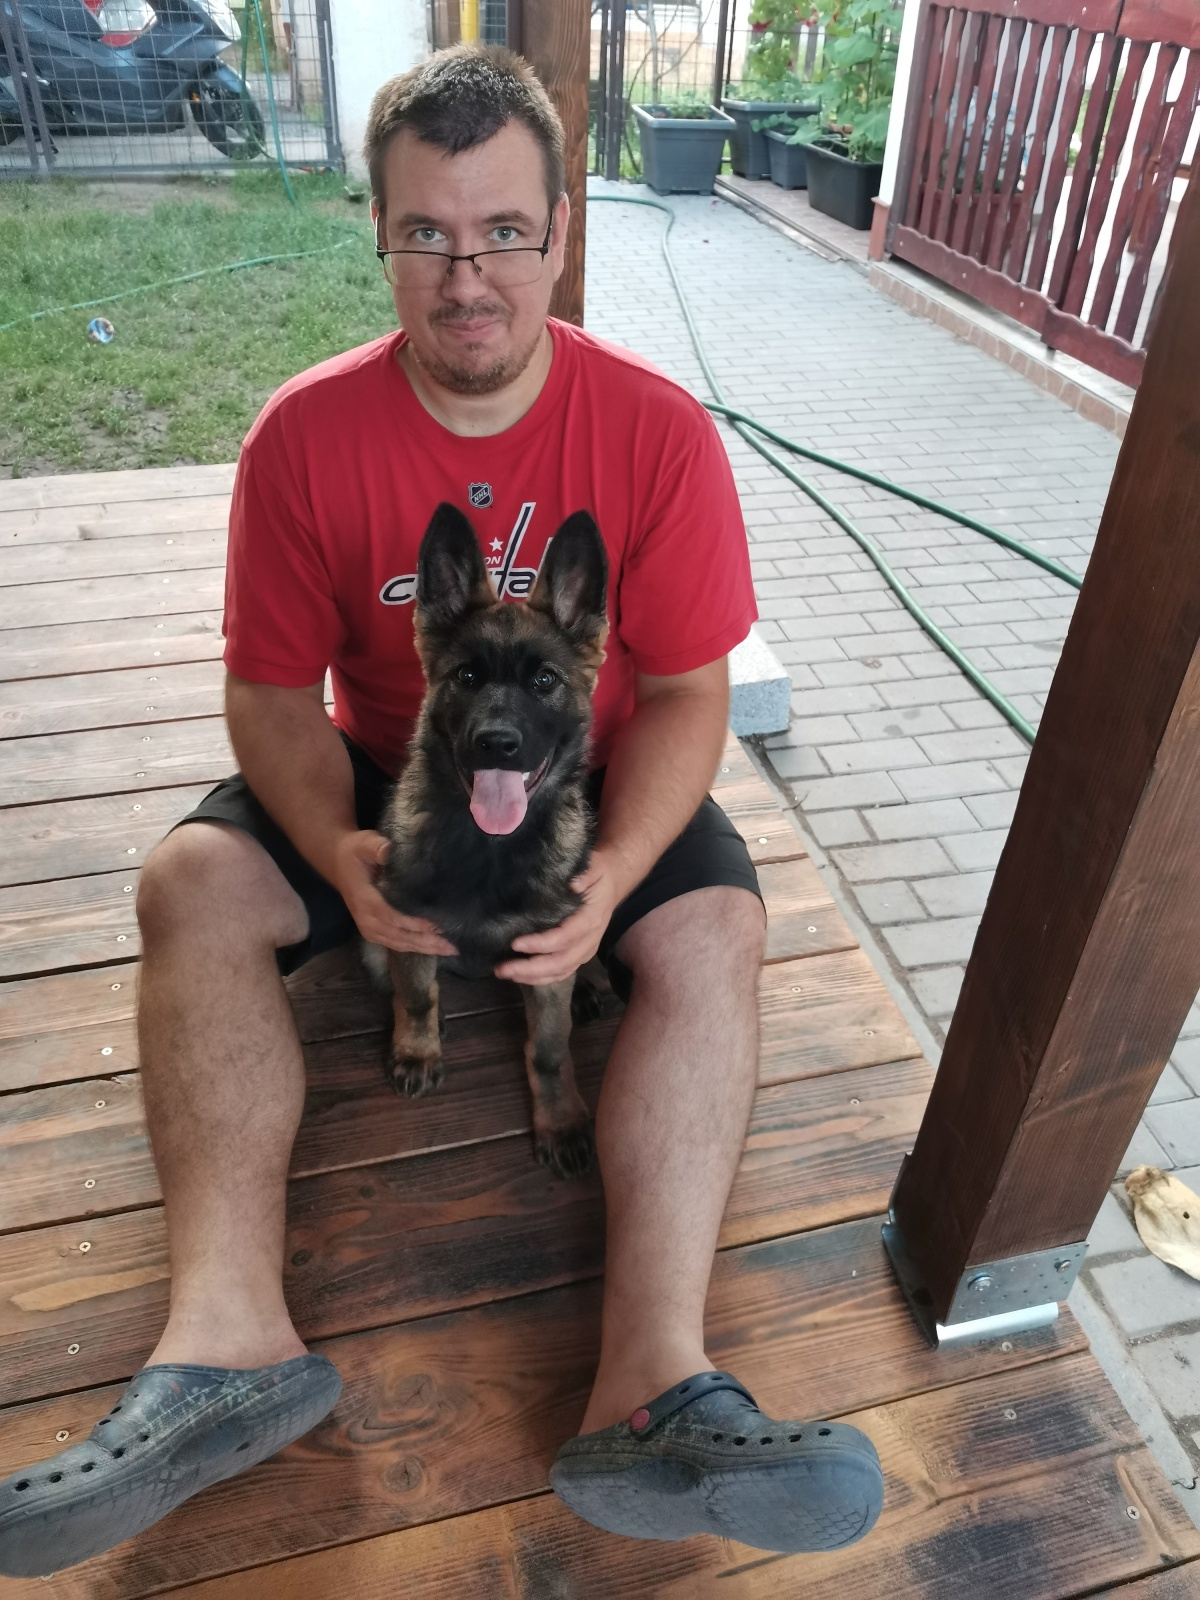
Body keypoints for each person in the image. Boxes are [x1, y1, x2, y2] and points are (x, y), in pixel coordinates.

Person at [0, 44, 882, 1578]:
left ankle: (656, 1388)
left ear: (560, 232)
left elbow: (687, 688)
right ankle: (222, 1353)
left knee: (719, 930)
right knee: (188, 887)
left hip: (587, 779)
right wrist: (339, 853)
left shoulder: (655, 432)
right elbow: (271, 693)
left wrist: (613, 870)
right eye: (428, 234)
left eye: (504, 233)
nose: (468, 279)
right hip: (383, 768)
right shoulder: (304, 435)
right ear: (380, 233)